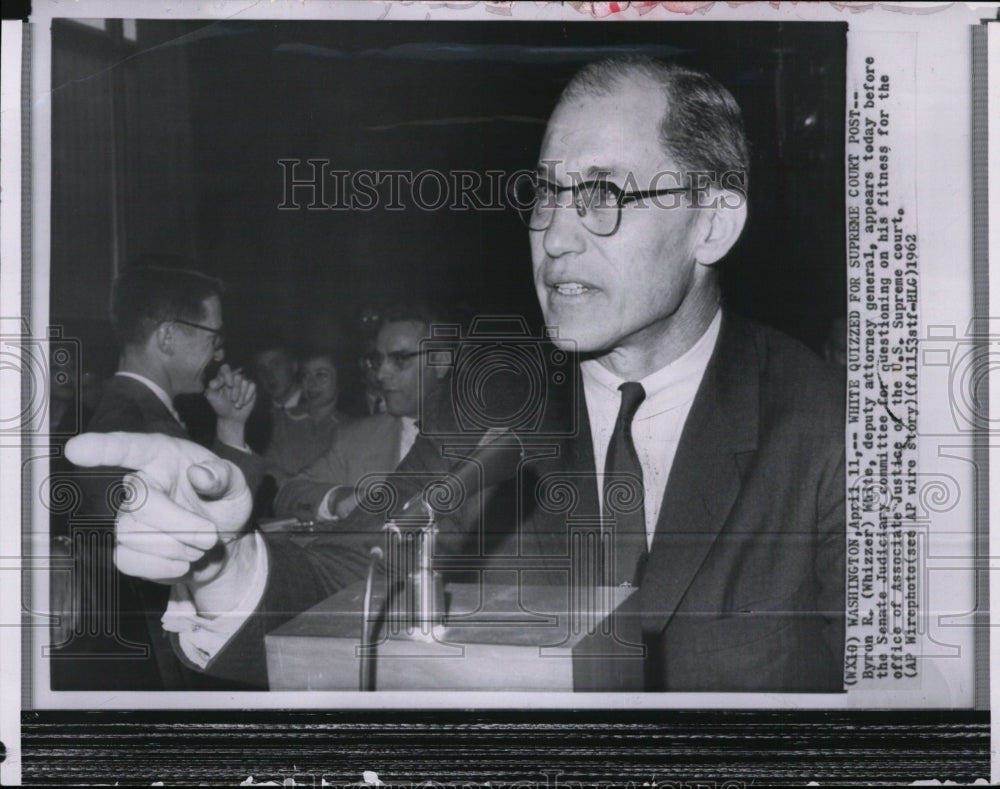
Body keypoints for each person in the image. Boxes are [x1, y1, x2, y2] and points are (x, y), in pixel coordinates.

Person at [67, 58, 844, 692]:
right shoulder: (496, 399)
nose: (556, 235)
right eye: (545, 192)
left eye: (602, 194)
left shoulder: (828, 425)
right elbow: (359, 563)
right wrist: (222, 561)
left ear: (713, 221)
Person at [56, 264, 262, 690]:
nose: (220, 354)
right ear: (168, 336)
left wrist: (230, 427)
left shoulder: (136, 412)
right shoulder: (132, 425)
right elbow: (214, 542)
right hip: (166, 670)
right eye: (213, 337)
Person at [273, 307, 449, 521]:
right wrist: (335, 499)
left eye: (400, 359)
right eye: (378, 360)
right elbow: (288, 494)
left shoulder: (484, 439)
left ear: (440, 362)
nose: (381, 374)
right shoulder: (356, 438)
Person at [261, 348, 349, 483]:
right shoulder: (280, 420)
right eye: (305, 375)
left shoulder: (350, 428)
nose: (311, 384)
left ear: (339, 377)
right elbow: (267, 467)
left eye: (320, 375)